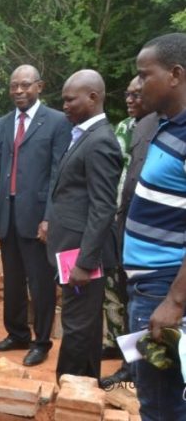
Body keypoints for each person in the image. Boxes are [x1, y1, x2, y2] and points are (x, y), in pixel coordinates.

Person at [0, 64, 72, 367]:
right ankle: (17, 334)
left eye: (25, 85)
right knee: (12, 280)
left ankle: (41, 341)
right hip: (8, 216)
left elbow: (58, 174)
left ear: (40, 86)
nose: (19, 91)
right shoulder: (2, 124)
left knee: (39, 284)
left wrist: (50, 217)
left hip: (38, 218)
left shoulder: (57, 122)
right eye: (14, 86)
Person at [123, 32, 186, 420]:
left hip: (163, 291)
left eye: (145, 75)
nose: (138, 84)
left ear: (176, 75)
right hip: (147, 285)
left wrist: (174, 302)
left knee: (160, 405)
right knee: (154, 396)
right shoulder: (166, 126)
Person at [48, 70, 122, 380]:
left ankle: (70, 392)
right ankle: (86, 389)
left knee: (77, 326)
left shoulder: (100, 141)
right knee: (85, 325)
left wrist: (85, 262)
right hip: (72, 250)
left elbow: (103, 206)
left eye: (70, 99)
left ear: (93, 97)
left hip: (81, 256)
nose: (64, 105)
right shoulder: (84, 135)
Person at [99, 76, 159, 387]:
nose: (131, 99)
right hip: (120, 225)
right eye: (128, 94)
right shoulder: (126, 129)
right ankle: (127, 362)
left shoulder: (163, 128)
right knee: (121, 293)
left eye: (138, 93)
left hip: (154, 235)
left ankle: (136, 370)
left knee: (142, 301)